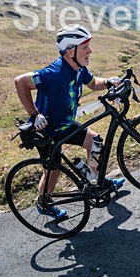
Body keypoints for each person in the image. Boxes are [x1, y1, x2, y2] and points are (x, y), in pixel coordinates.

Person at [14, 24, 124, 219]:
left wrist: (108, 81)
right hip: (46, 131)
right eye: (84, 47)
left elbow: (92, 83)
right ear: (69, 51)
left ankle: (98, 181)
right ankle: (43, 203)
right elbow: (20, 82)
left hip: (66, 125)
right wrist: (34, 114)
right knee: (53, 172)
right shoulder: (53, 73)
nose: (90, 51)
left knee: (95, 142)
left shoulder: (80, 68)